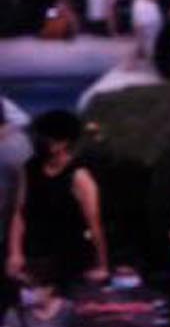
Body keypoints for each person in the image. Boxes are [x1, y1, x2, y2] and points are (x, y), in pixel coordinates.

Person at [8, 110, 109, 285]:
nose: (37, 141)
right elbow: (20, 212)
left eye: (45, 137)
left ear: (62, 143)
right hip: (35, 254)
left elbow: (94, 223)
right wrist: (15, 253)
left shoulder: (79, 175)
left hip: (68, 256)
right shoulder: (30, 168)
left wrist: (102, 266)